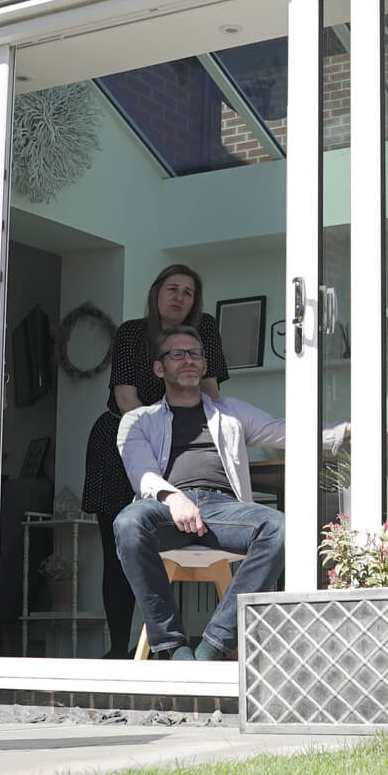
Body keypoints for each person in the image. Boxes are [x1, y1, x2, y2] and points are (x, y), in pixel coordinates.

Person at [114, 323, 343, 662]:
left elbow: (288, 432)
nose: (188, 360)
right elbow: (142, 474)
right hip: (164, 510)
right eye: (177, 354)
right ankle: (172, 647)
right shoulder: (138, 420)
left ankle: (214, 645)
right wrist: (173, 497)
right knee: (128, 524)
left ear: (205, 366)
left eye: (195, 354)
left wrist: (352, 430)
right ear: (160, 368)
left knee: (281, 529)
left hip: (222, 509)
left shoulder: (231, 412)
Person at [81, 264, 228, 657]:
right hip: (121, 442)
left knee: (172, 548)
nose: (179, 297)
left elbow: (212, 391)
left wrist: (223, 436)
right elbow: (128, 401)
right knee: (120, 548)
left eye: (188, 292)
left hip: (186, 447)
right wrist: (166, 436)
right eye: (172, 289)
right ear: (156, 293)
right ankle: (118, 650)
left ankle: (166, 647)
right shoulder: (132, 332)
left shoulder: (205, 331)